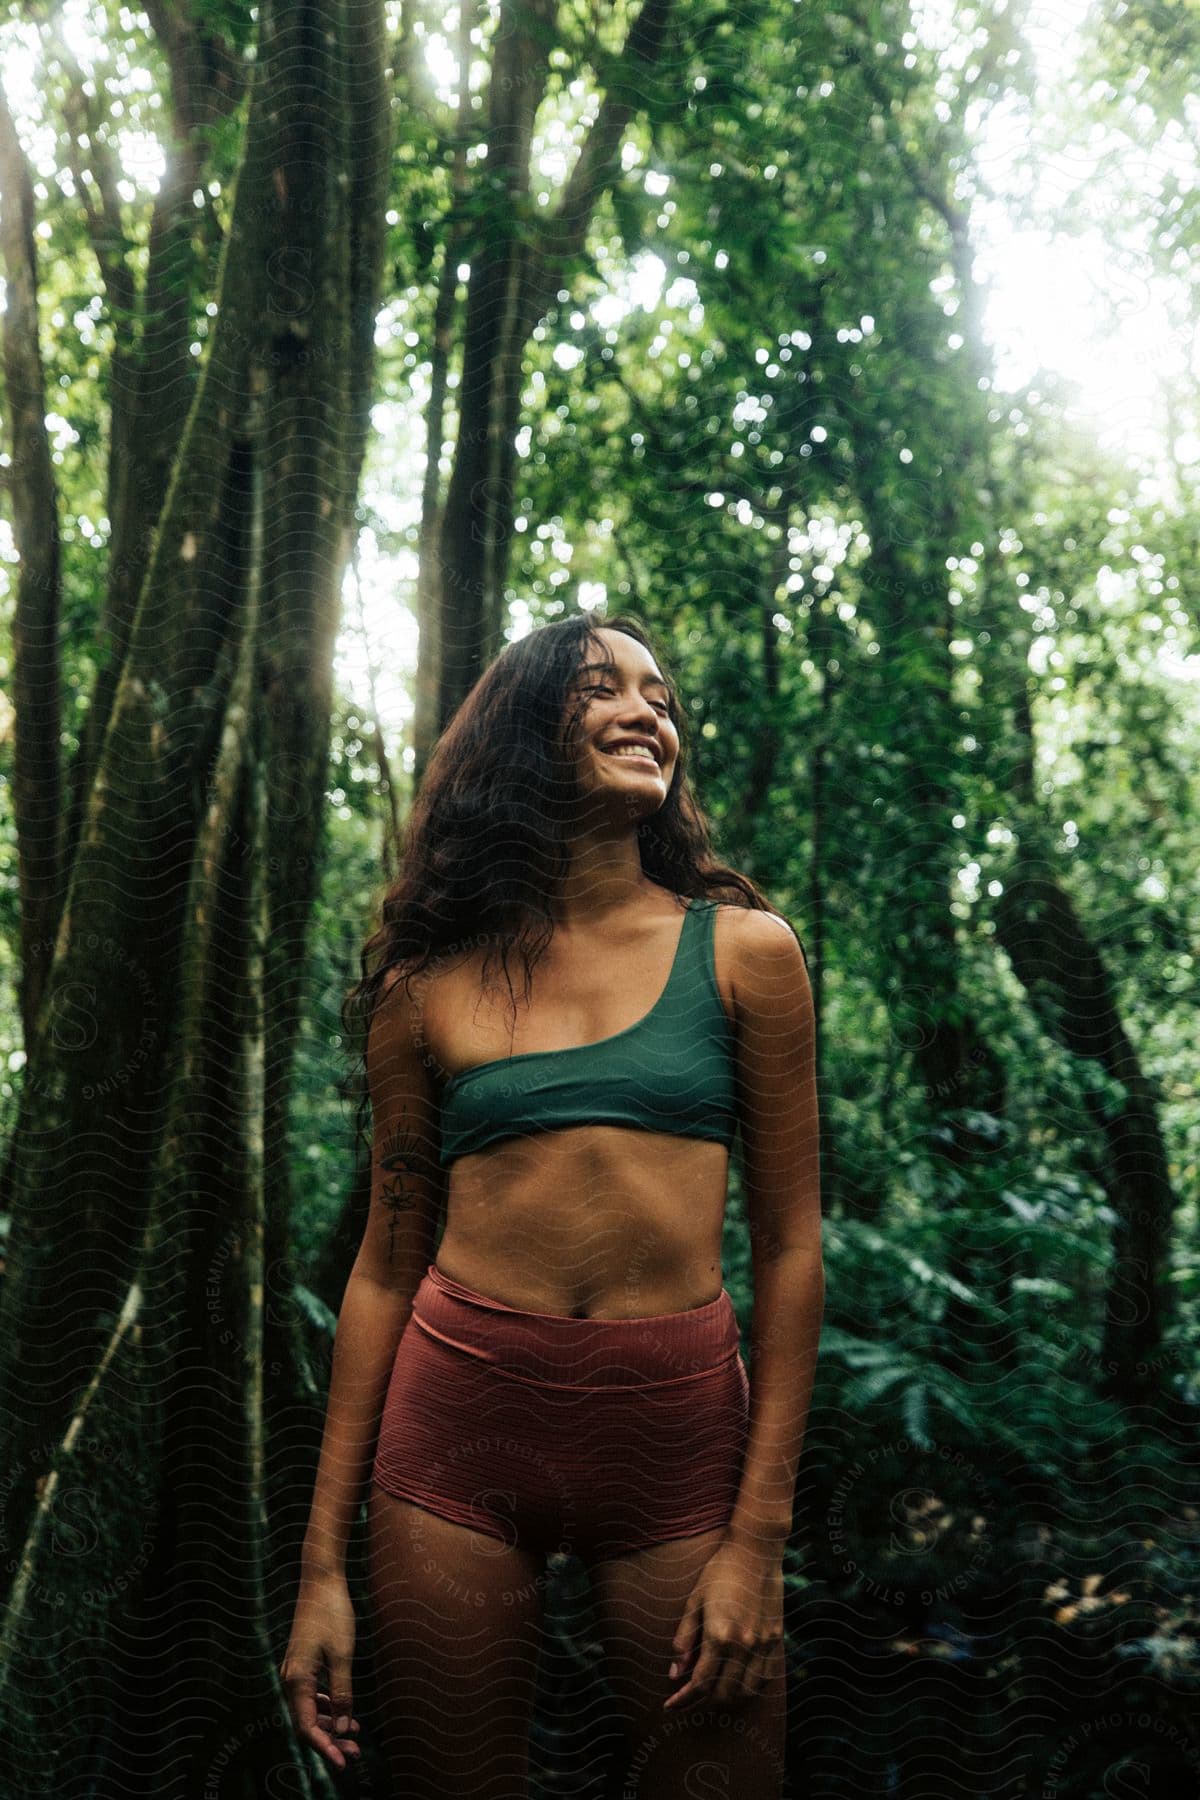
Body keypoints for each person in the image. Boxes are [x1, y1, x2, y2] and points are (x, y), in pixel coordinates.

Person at [281, 612, 824, 1799]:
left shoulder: (745, 952)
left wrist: (759, 1541)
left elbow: (790, 1248)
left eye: (661, 696)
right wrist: (321, 1567)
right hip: (460, 1428)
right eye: (600, 689)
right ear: (528, 734)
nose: (647, 711)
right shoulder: (422, 990)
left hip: (677, 1435)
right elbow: (383, 1267)